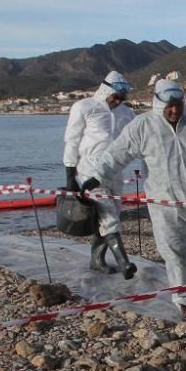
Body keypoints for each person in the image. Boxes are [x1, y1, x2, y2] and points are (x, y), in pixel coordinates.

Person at [82, 79, 186, 322]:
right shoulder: (142, 126)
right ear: (157, 103)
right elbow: (117, 155)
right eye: (169, 106)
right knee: (174, 253)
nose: (175, 111)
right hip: (164, 203)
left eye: (178, 105)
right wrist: (96, 177)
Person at [63, 71, 137, 278]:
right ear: (106, 90)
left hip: (115, 172)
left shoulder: (126, 114)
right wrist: (70, 174)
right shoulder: (84, 107)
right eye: (115, 96)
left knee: (110, 216)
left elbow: (133, 141)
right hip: (88, 171)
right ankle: (124, 263)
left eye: (122, 98)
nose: (117, 100)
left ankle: (97, 260)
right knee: (109, 216)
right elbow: (72, 140)